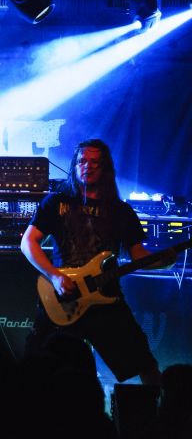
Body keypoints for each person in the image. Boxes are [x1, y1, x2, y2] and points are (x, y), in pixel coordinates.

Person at [21, 138, 175, 385]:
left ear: (105, 168)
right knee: (36, 366)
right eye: (82, 161)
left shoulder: (121, 211)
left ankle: (160, 409)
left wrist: (164, 261)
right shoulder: (56, 202)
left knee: (145, 364)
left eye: (95, 162)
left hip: (107, 298)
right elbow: (28, 242)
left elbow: (138, 256)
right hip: (63, 296)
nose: (87, 166)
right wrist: (55, 276)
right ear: (74, 165)